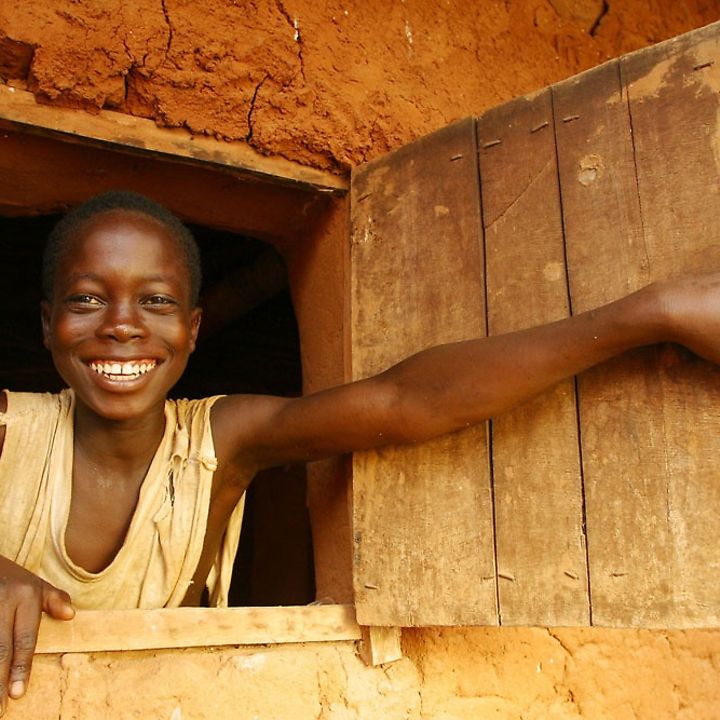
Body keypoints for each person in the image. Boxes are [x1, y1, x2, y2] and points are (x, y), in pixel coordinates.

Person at [1, 190, 719, 712]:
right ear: (46, 324)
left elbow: (407, 402)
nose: (122, 326)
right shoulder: (9, 431)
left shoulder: (222, 443)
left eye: (154, 302)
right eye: (88, 299)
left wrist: (643, 316)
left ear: (192, 329)